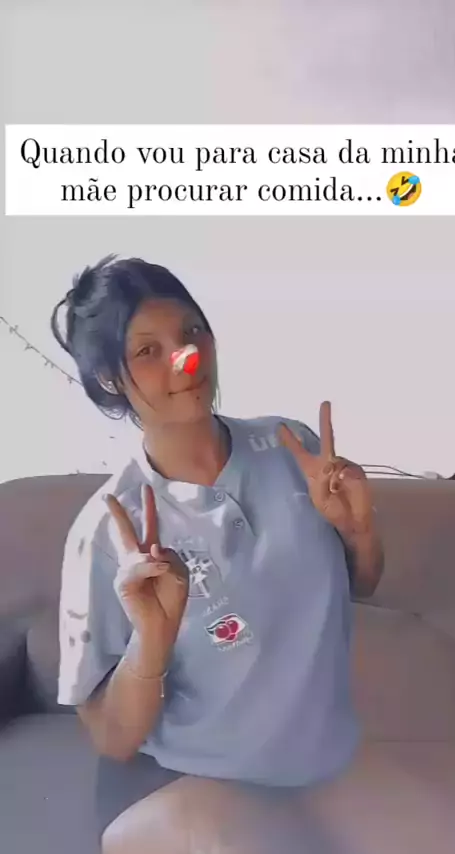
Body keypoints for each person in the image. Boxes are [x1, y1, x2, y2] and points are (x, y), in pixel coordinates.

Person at [52, 256, 384, 854]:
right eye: (147, 351)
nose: (186, 358)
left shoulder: (292, 449)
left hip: (319, 765)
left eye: (192, 331)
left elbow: (363, 585)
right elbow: (112, 738)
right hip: (181, 781)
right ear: (109, 379)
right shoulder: (107, 532)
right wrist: (152, 640)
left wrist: (358, 532)